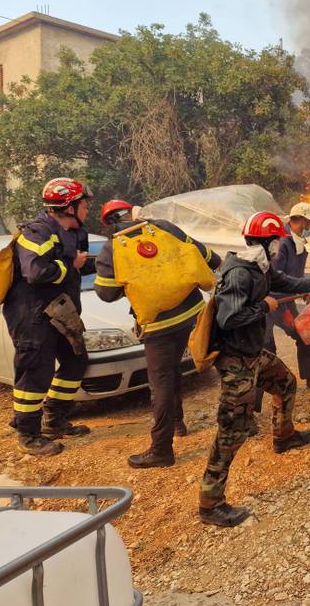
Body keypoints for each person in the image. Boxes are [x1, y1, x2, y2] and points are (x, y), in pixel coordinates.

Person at [199, 210, 310, 527]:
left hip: (254, 353)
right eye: (276, 241)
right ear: (267, 242)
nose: (278, 248)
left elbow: (284, 281)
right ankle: (210, 504)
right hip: (236, 362)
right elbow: (228, 319)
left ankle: (284, 436)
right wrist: (264, 306)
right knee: (232, 431)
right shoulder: (239, 274)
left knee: (285, 382)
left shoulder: (260, 267)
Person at [94, 199, 221, 468]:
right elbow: (210, 257)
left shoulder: (112, 248)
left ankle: (162, 450)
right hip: (194, 314)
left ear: (109, 224)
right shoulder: (164, 227)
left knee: (161, 381)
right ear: (134, 213)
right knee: (218, 360)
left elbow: (105, 293)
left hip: (157, 326)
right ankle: (233, 421)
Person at [3, 177, 96, 456]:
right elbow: (36, 272)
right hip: (31, 314)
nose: (87, 210)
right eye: (83, 204)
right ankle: (28, 434)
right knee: (35, 372)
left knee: (76, 361)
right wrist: (71, 265)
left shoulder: (76, 233)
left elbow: (78, 266)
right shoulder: (37, 232)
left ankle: (54, 419)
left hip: (61, 312)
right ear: (69, 206)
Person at [265, 201, 310, 389]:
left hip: (285, 299)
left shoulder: (298, 242)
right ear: (299, 220)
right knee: (266, 349)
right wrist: (284, 310)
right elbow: (275, 279)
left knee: (306, 332)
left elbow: (294, 277)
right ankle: (260, 397)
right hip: (268, 303)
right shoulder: (282, 244)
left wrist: (305, 293)